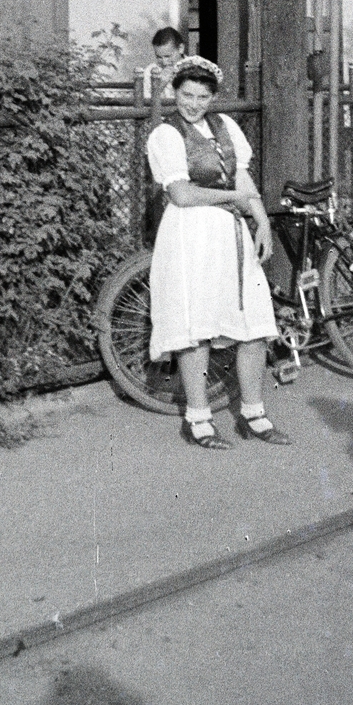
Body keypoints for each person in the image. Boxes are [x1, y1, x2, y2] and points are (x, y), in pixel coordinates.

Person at [145, 55, 289, 450]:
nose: (193, 103)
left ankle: (253, 414)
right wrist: (236, 197)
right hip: (191, 235)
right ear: (175, 92)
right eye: (187, 94)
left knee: (255, 324)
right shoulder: (165, 135)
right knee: (198, 327)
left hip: (231, 233)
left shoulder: (225, 127)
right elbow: (182, 194)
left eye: (202, 96)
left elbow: (242, 176)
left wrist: (260, 220)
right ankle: (198, 419)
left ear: (213, 97)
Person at [140, 26, 186, 103]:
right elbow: (145, 102)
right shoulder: (150, 71)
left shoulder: (196, 66)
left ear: (181, 48)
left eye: (167, 56)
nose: (164, 62)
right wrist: (161, 84)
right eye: (159, 57)